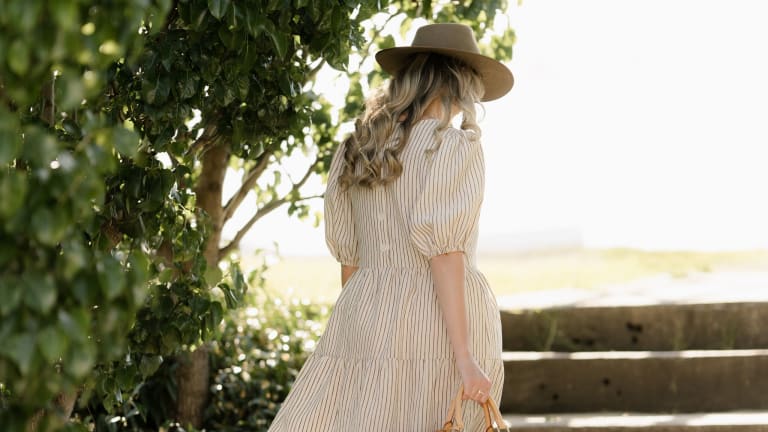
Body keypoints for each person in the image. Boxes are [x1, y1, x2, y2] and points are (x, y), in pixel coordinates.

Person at [266, 23, 514, 431]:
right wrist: (466, 358)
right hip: (434, 323)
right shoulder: (450, 146)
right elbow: (444, 252)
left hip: (363, 310)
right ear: (458, 84)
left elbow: (349, 257)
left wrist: (361, 329)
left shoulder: (358, 148)